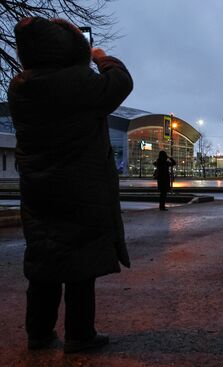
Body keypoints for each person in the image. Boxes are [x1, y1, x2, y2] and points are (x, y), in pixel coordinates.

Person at [8, 17, 133, 353]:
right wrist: (100, 55)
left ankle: (39, 334)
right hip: (81, 189)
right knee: (81, 263)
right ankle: (80, 336)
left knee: (45, 259)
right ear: (69, 50)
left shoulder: (20, 87)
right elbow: (120, 82)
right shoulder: (81, 84)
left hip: (38, 189)